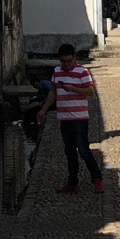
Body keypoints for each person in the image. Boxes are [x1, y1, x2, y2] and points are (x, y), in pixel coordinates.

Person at [39, 42, 103, 196]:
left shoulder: (83, 72)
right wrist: (43, 110)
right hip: (64, 118)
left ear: (74, 58)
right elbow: (53, 93)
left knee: (83, 150)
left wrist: (72, 88)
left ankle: (97, 179)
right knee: (69, 151)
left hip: (80, 119)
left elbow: (90, 92)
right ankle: (73, 182)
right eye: (63, 62)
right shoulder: (56, 72)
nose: (66, 65)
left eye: (69, 61)